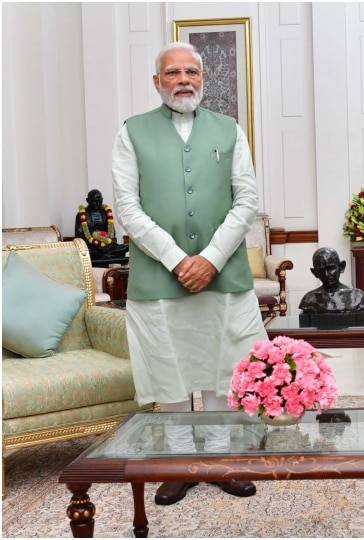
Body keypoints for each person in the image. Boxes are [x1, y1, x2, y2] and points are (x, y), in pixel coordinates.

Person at [111, 42, 267, 506]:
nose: (183, 80)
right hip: (160, 278)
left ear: (203, 78)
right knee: (170, 369)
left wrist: (211, 259)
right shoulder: (131, 132)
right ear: (156, 82)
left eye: (191, 72)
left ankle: (220, 460)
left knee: (223, 368)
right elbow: (127, 208)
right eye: (173, 72)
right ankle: (179, 464)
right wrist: (178, 259)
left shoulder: (230, 129)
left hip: (222, 275)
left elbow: (246, 200)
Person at [299, 247, 364, 313]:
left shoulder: (357, 296)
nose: (326, 274)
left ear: (341, 267)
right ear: (314, 272)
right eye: (321, 270)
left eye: (331, 268)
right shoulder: (309, 299)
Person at [75, 189, 129, 259]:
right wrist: (93, 246)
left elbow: (111, 232)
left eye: (100, 201)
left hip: (107, 245)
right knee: (88, 252)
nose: (98, 204)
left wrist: (108, 243)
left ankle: (104, 256)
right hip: (91, 246)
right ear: (88, 200)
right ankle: (105, 256)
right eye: (95, 201)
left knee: (125, 247)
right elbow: (79, 237)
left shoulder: (105, 212)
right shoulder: (82, 215)